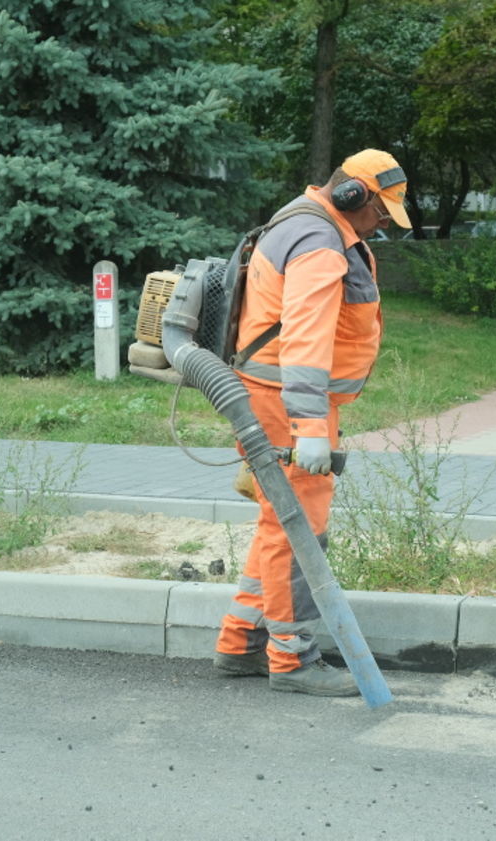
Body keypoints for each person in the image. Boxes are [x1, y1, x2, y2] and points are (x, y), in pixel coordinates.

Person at [213, 149, 411, 696]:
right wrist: (310, 428)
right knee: (300, 531)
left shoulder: (301, 221)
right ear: (354, 195)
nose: (384, 225)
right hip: (287, 403)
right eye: (382, 212)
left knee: (278, 522)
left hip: (272, 396)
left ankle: (241, 642)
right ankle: (292, 659)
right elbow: (304, 341)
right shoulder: (321, 244)